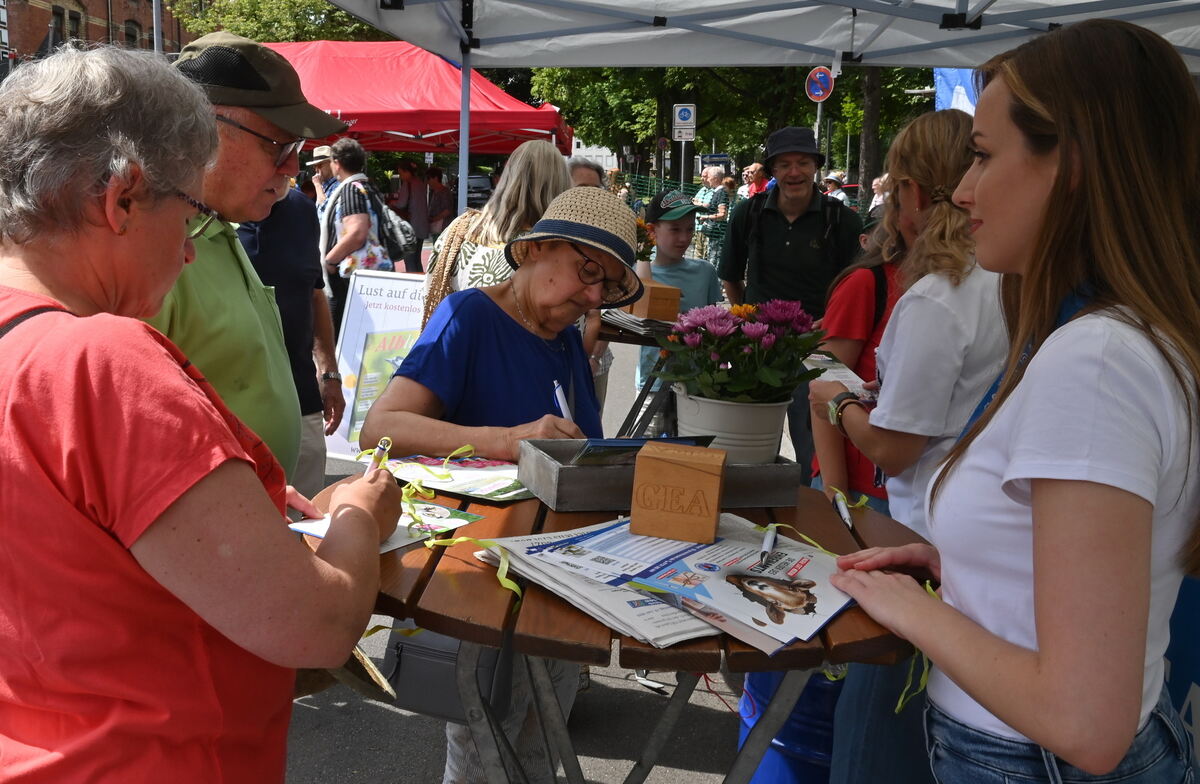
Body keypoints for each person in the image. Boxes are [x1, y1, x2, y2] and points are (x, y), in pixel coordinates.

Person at [0, 45, 401, 782]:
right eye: (187, 216)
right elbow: (314, 626)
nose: (190, 253)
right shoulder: (101, 360)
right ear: (120, 198)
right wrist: (360, 516)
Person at [831, 20, 1200, 782]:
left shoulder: (1096, 359)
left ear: (1072, 166)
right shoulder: (1120, 337)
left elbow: (1082, 721)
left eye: (985, 157)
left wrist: (913, 609)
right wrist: (961, 564)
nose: (963, 192)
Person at [361, 187, 642, 783]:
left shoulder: (561, 335)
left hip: (557, 579)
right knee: (482, 754)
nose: (593, 296)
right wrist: (506, 439)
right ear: (535, 247)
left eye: (606, 286)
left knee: (542, 747)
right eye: (587, 271)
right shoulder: (470, 315)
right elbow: (379, 428)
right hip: (481, 581)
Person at [809, 108, 1007, 784]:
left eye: (896, 189)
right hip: (970, 554)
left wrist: (836, 398)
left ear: (917, 193)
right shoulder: (1005, 281)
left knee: (872, 750)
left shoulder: (937, 299)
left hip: (918, 541)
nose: (892, 205)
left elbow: (893, 449)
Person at [147, 31, 348, 480]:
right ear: (204, 129)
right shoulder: (150, 248)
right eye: (278, 145)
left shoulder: (213, 223)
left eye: (297, 148)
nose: (293, 166)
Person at [720, 126, 862, 481]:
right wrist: (745, 321)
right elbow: (730, 277)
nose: (794, 172)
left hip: (818, 350)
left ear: (815, 166)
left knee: (813, 444)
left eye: (802, 162)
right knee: (747, 440)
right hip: (756, 347)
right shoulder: (747, 214)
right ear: (773, 170)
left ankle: (812, 517)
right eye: (784, 164)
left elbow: (858, 286)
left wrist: (831, 326)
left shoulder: (841, 219)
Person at [239, 187, 343, 500]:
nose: (291, 163)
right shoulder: (199, 216)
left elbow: (313, 294)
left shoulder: (301, 209)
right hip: (232, 415)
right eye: (273, 146)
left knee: (307, 525)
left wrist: (329, 373)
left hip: (302, 405)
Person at [808, 212, 901, 515]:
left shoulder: (947, 286)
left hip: (917, 489)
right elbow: (822, 383)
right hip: (861, 491)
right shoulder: (866, 282)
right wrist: (835, 492)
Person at [421, 139, 571, 322]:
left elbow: (429, 296)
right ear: (561, 185)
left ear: (507, 177)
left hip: (454, 345)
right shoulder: (555, 250)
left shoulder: (459, 228)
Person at [635, 189, 722, 435]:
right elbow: (643, 300)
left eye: (689, 229)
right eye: (675, 229)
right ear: (652, 231)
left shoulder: (705, 272)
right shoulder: (640, 272)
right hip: (654, 383)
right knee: (646, 453)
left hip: (698, 383)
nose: (684, 238)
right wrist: (643, 249)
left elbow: (716, 325)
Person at [321, 137, 392, 334]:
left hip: (349, 279)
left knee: (341, 335)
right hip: (368, 278)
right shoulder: (368, 186)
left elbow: (357, 232)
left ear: (337, 163)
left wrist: (329, 261)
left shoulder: (351, 190)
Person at [393, 158, 430, 273]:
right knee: (417, 259)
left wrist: (392, 203)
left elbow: (401, 204)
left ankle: (412, 285)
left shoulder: (407, 184)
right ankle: (421, 284)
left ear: (407, 172)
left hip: (411, 226)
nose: (400, 176)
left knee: (409, 259)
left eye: (401, 173)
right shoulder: (420, 183)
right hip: (422, 226)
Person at [426, 165, 456, 240]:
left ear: (435, 178)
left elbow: (447, 211)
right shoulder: (435, 191)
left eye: (428, 178)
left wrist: (433, 219)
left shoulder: (444, 192)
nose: (427, 181)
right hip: (436, 229)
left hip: (442, 229)